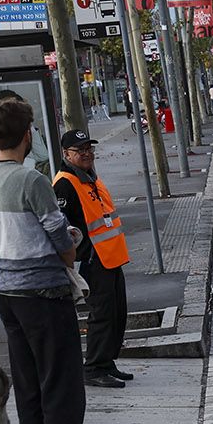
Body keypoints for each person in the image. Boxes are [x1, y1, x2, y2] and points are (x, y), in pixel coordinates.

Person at [0, 98, 108, 424]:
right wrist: (72, 244)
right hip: (45, 294)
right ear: (27, 133)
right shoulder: (31, 180)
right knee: (62, 390)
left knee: (30, 391)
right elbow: (61, 241)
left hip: (9, 295)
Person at [53, 129, 133, 389]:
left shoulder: (89, 178)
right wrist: (85, 254)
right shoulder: (65, 182)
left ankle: (107, 362)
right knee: (101, 315)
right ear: (67, 154)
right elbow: (65, 227)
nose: (87, 153)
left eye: (89, 148)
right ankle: (94, 367)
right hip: (94, 260)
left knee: (116, 313)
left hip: (112, 257)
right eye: (80, 150)